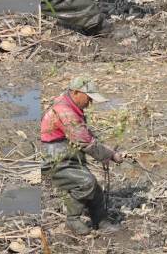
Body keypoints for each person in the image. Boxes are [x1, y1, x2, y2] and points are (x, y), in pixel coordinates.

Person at [40, 77, 124, 235]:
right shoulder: (65, 112)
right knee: (86, 182)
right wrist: (111, 155)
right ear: (76, 92)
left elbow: (86, 136)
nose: (90, 103)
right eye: (89, 98)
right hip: (53, 158)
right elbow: (85, 142)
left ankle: (101, 221)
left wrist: (107, 152)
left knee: (95, 189)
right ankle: (72, 220)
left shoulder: (68, 104)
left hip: (65, 154)